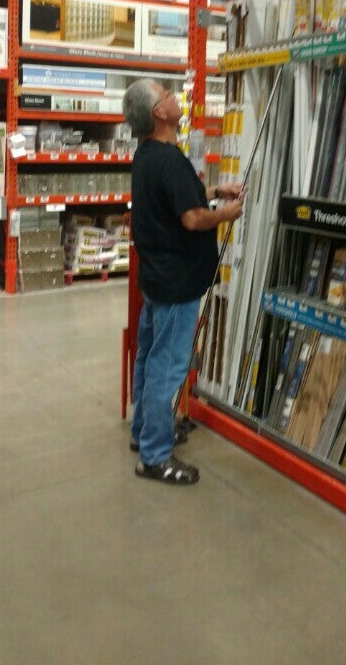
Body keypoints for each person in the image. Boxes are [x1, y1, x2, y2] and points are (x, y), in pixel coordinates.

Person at [123, 78, 245, 486]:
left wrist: (215, 189)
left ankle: (144, 432)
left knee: (148, 356)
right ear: (158, 112)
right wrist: (226, 213)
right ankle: (155, 456)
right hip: (177, 283)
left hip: (157, 278)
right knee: (168, 367)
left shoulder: (148, 156)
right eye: (167, 94)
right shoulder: (169, 160)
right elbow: (192, 218)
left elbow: (175, 196)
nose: (175, 98)